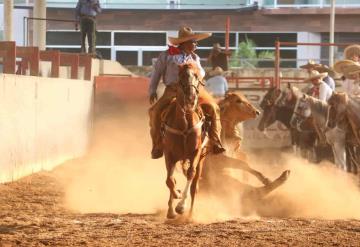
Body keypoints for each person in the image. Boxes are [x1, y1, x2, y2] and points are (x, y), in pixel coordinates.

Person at [148, 27, 225, 159]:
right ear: (184, 43)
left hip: (194, 90)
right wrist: (152, 90)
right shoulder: (167, 55)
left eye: (195, 42)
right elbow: (156, 74)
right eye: (193, 42)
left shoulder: (195, 57)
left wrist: (195, 71)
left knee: (213, 108)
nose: (196, 44)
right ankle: (157, 145)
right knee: (154, 111)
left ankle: (215, 141)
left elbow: (201, 73)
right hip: (173, 90)